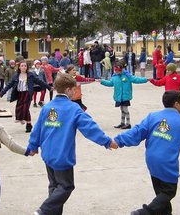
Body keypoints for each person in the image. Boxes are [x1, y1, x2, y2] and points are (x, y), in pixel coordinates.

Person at [28, 74, 117, 215]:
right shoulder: (73, 108)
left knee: (55, 186)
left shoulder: (47, 107)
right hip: (62, 155)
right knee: (66, 186)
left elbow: (37, 128)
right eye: (74, 89)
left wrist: (33, 146)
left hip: (48, 154)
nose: (75, 92)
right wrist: (107, 141)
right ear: (68, 90)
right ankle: (43, 211)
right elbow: (90, 128)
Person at [113, 90, 180, 215]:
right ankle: (144, 212)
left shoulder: (153, 116)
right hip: (166, 162)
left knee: (161, 195)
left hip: (151, 160)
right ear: (176, 104)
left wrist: (118, 141)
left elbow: (137, 132)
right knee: (169, 192)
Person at [0, 62, 51, 132]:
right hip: (20, 94)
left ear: (27, 67)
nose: (23, 67)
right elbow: (9, 85)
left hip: (27, 93)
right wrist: (2, 93)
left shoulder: (30, 75)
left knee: (26, 109)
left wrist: (49, 87)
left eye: (25, 66)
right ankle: (21, 119)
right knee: (18, 107)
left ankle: (28, 125)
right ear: (19, 67)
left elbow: (40, 81)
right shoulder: (16, 76)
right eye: (22, 66)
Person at [100, 61, 148, 129]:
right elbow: (110, 83)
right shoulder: (114, 77)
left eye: (119, 70)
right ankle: (122, 123)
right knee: (122, 109)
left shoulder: (127, 76)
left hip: (125, 96)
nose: (117, 72)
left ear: (122, 69)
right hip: (119, 97)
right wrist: (102, 81)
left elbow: (136, 79)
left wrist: (145, 79)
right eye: (116, 70)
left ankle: (128, 123)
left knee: (125, 109)